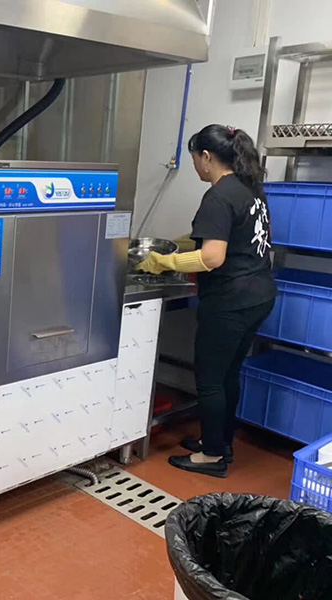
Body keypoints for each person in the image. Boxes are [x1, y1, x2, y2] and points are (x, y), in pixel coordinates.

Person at [138, 124, 276, 478]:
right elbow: (224, 235)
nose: (196, 166)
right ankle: (220, 442)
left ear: (206, 157)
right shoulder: (248, 188)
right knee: (228, 374)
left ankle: (212, 456)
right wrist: (179, 244)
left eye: (195, 159)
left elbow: (212, 257)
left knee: (211, 379)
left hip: (231, 300)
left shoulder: (217, 196)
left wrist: (166, 262)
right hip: (258, 295)